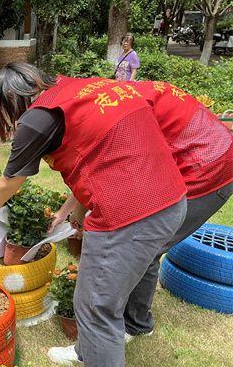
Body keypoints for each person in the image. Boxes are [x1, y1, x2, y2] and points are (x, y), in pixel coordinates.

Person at [0, 63, 201, 367]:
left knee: (98, 302)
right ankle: (87, 350)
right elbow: (102, 151)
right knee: (96, 287)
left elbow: (10, 180)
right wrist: (74, 208)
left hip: (132, 210)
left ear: (11, 100)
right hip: (169, 198)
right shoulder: (87, 88)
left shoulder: (37, 118)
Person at [49, 80, 232, 341]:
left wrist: (80, 216)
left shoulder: (121, 114)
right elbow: (95, 173)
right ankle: (136, 320)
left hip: (207, 169)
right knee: (144, 242)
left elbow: (102, 172)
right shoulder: (122, 96)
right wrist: (70, 213)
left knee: (142, 244)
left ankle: (132, 324)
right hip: (209, 155)